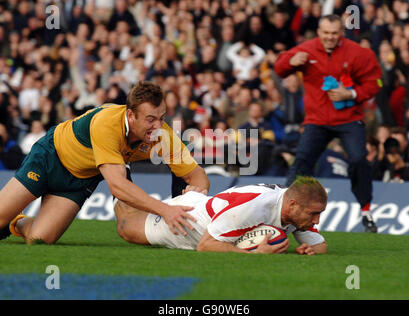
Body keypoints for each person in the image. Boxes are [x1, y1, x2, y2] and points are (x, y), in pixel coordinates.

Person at [0, 81, 210, 244]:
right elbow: (118, 186)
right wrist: (166, 210)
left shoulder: (163, 135)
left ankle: (16, 222)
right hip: (50, 159)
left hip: (80, 180)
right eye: (150, 119)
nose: (157, 126)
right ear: (131, 115)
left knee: (40, 239)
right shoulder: (107, 123)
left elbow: (196, 174)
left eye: (161, 118)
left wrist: (195, 193)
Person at [274, 14, 382, 233]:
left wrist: (350, 93)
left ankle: (366, 210)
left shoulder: (357, 53)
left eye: (334, 33)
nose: (330, 37)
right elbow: (279, 67)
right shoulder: (307, 49)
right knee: (302, 161)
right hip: (317, 120)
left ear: (341, 32)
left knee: (359, 159)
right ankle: (280, 212)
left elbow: (376, 82)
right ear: (319, 32)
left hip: (349, 118)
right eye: (325, 33)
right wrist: (289, 63)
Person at [114, 176, 328, 255]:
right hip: (189, 223)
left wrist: (310, 249)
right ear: (293, 205)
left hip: (212, 210)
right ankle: (121, 179)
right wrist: (253, 255)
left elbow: (320, 245)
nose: (316, 220)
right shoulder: (254, 207)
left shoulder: (297, 211)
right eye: (314, 214)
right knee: (126, 228)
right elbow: (205, 246)